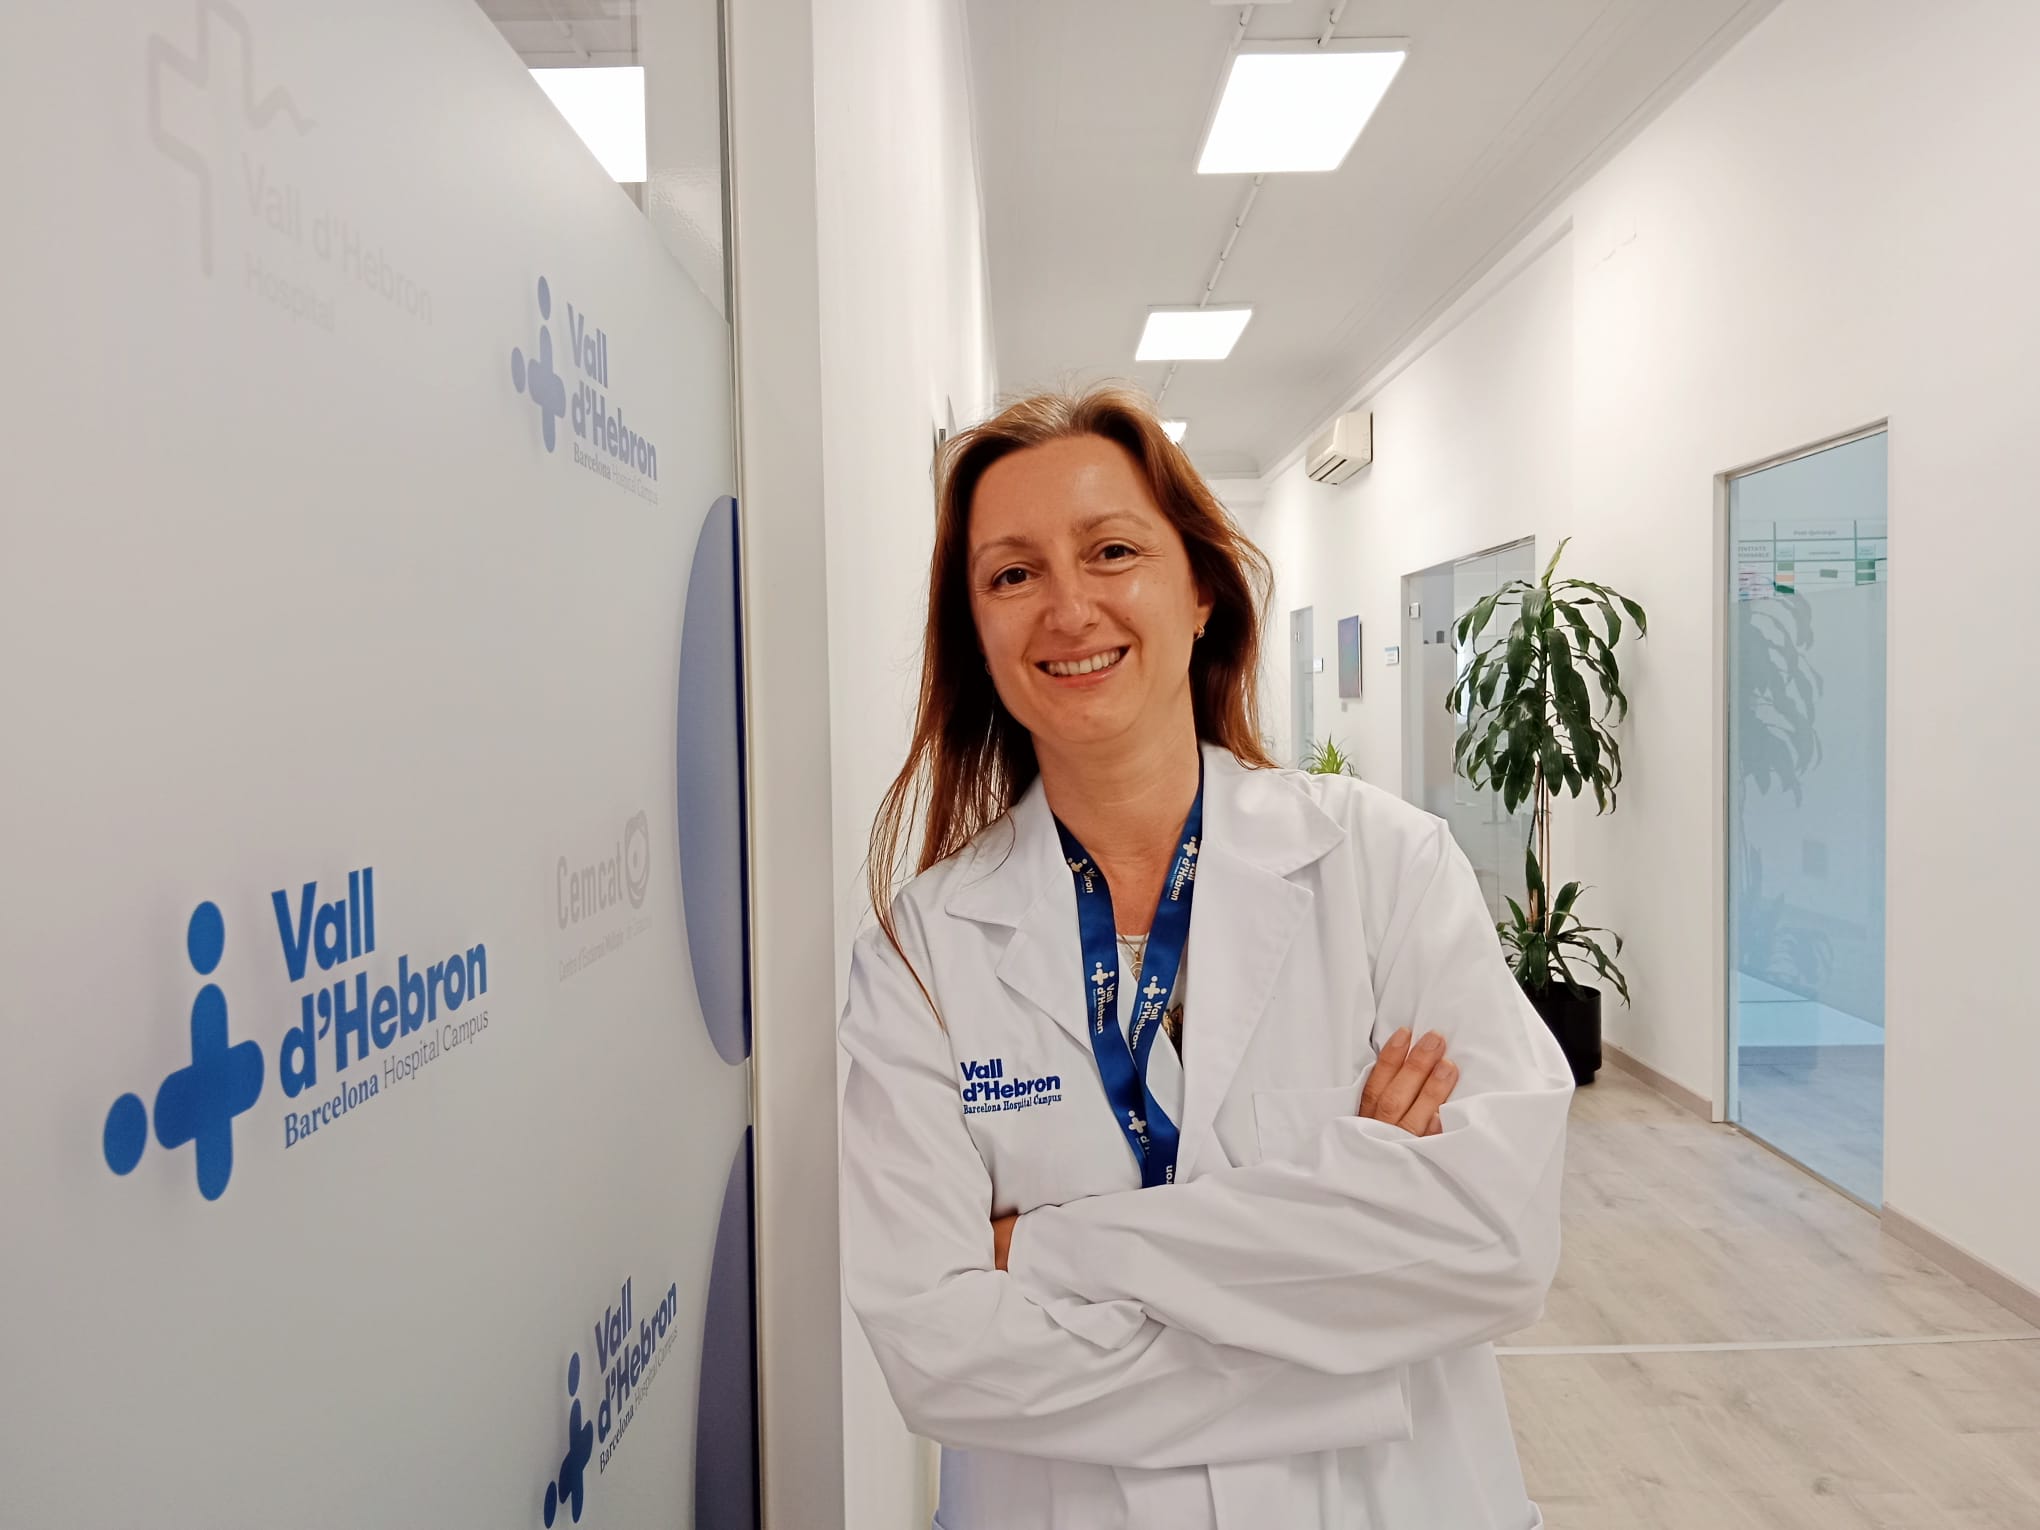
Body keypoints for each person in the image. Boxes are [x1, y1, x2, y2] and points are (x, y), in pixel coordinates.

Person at [839, 385, 1573, 1530]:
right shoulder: (921, 958)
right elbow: (944, 1357)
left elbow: (1497, 1242)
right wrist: (1348, 1284)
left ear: (1199, 593)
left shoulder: (1384, 867)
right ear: (975, 632)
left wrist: (1044, 1249)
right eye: (1013, 574)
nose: (1068, 607)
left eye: (1112, 551)